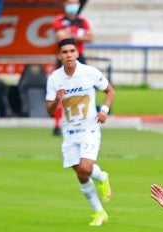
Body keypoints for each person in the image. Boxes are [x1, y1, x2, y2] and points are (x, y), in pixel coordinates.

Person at [45, 38, 115, 226]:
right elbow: (50, 111)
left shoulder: (89, 73)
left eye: (71, 51)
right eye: (65, 52)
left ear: (77, 53)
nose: (69, 55)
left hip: (90, 129)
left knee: (85, 167)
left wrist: (104, 111)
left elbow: (109, 91)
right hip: (69, 133)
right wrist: (57, 101)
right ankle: (99, 212)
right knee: (81, 174)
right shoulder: (55, 79)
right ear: (59, 56)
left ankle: (101, 177)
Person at [51, 0, 94, 136]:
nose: (73, 6)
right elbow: (61, 38)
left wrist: (71, 35)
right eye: (70, 2)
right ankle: (57, 125)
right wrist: (80, 37)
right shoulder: (59, 20)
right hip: (64, 59)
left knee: (83, 90)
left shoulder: (83, 21)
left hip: (79, 58)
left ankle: (82, 123)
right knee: (61, 91)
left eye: (75, 3)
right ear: (65, 4)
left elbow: (90, 37)